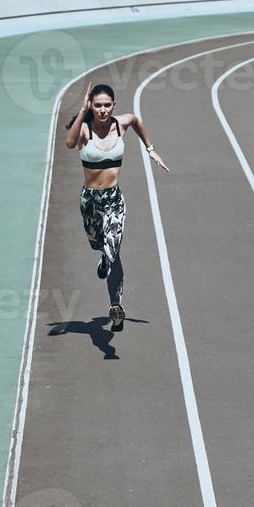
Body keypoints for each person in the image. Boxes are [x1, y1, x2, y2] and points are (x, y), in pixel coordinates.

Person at [64, 82, 170, 330]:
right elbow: (70, 144)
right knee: (99, 246)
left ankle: (116, 306)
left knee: (113, 250)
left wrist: (151, 150)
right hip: (90, 201)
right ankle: (103, 259)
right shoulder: (85, 130)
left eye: (107, 105)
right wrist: (82, 111)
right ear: (92, 105)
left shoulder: (120, 124)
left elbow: (135, 120)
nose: (102, 110)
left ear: (114, 105)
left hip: (113, 200)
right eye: (97, 105)